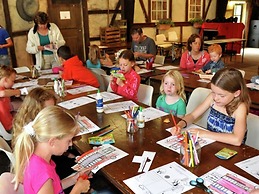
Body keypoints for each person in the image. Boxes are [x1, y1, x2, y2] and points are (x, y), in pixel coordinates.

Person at [13, 106, 90, 194]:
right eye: (68, 140)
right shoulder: (41, 172)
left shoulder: (39, 158)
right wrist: (77, 190)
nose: (71, 144)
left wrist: (73, 179)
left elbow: (54, 188)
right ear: (53, 141)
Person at [171, 68, 251, 146]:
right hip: (212, 144)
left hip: (231, 151)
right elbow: (193, 115)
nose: (216, 98)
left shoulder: (240, 108)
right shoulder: (212, 98)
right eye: (213, 92)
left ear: (236, 93)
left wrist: (205, 133)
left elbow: (237, 140)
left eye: (221, 95)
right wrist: (180, 125)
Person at [0, 66, 26, 131]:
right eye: (12, 81)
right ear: (5, 80)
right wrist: (18, 91)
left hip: (10, 121)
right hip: (8, 127)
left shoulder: (6, 89)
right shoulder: (2, 91)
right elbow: (3, 93)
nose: (13, 83)